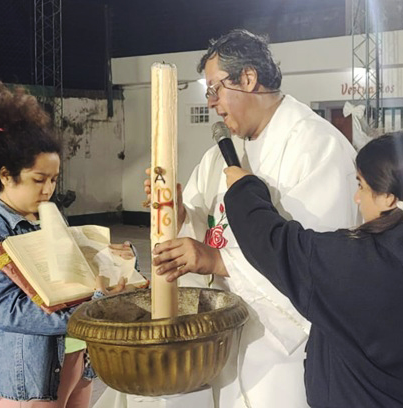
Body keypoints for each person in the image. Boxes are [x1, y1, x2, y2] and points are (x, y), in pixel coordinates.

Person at [220, 130, 403, 407]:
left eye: (361, 186)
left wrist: (243, 186)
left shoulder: (354, 263)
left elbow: (270, 241)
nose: (356, 197)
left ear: (389, 198)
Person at [141, 29, 358, 408]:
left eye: (215, 89)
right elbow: (209, 227)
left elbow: (316, 260)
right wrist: (179, 214)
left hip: (283, 349)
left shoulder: (316, 146)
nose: (212, 103)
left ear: (248, 78)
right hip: (223, 338)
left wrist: (216, 261)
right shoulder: (221, 153)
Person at [0, 82, 132, 408]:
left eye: (54, 179)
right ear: (6, 176)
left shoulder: (51, 218)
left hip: (78, 359)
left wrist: (112, 262)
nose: (48, 190)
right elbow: (10, 313)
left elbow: (74, 279)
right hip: (31, 375)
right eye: (39, 179)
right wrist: (90, 310)